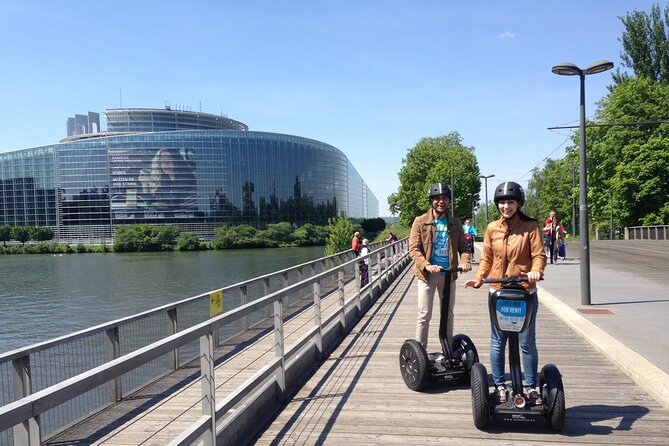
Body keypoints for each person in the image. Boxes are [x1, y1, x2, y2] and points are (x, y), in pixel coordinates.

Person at [463, 181, 546, 405]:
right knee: (498, 341)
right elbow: (488, 258)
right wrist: (479, 277)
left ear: (518, 203)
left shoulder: (531, 227)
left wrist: (536, 271)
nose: (505, 206)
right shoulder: (492, 228)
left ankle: (530, 387)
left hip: (524, 291)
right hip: (498, 290)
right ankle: (500, 385)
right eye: (502, 202)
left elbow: (539, 254)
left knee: (527, 341)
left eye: (510, 202)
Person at [409, 182, 472, 352]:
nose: (440, 201)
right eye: (437, 198)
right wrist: (426, 265)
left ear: (449, 201)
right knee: (425, 314)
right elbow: (414, 249)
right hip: (427, 275)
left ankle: (448, 350)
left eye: (444, 198)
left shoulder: (455, 223)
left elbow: (464, 248)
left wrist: (465, 261)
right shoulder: (420, 222)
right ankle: (420, 352)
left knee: (448, 315)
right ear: (431, 201)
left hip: (448, 274)